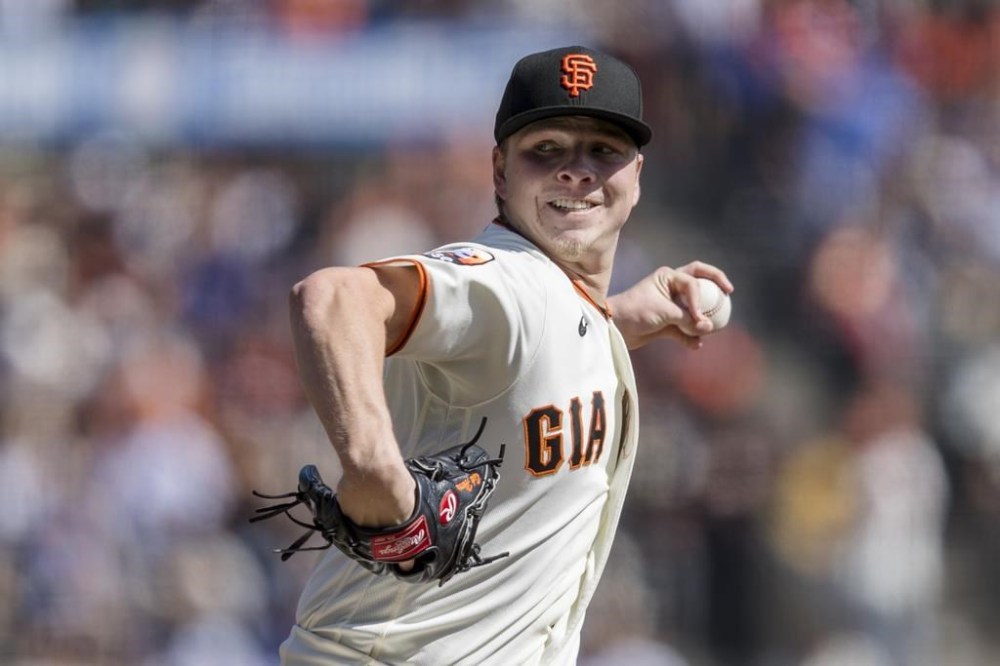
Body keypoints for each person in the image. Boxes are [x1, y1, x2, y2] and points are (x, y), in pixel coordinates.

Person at [281, 45, 733, 665]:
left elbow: (531, 355)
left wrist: (614, 321)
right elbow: (332, 297)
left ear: (636, 176)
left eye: (604, 151)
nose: (577, 172)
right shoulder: (503, 280)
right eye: (546, 150)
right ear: (499, 171)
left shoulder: (556, 306)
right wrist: (374, 467)